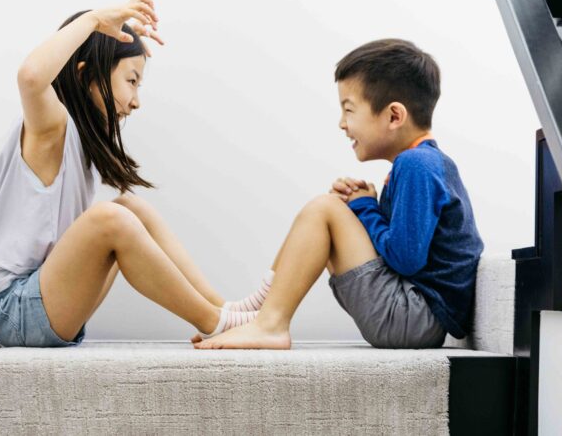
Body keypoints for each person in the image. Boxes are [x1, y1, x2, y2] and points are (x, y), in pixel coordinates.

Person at [0, 0, 257, 347]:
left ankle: (220, 307)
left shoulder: (76, 137)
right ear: (87, 76)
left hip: (42, 298)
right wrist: (95, 21)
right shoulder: (51, 126)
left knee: (129, 208)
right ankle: (216, 322)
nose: (136, 100)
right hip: (12, 310)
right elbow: (31, 77)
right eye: (131, 80)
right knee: (110, 219)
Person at [194, 38, 484, 350]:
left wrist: (365, 209)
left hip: (415, 319)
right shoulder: (421, 163)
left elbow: (405, 259)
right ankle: (258, 311)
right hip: (414, 316)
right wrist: (362, 206)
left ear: (394, 116)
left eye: (349, 110)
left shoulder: (417, 164)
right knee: (332, 208)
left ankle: (269, 323)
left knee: (325, 209)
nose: (342, 124)